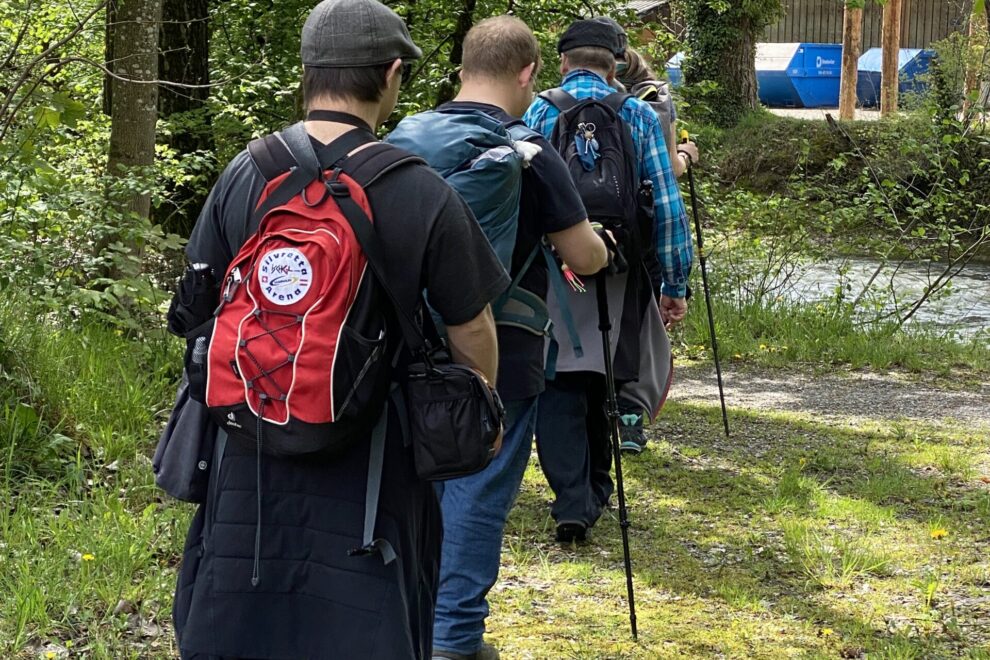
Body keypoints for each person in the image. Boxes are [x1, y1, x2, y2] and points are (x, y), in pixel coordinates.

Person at [170, 1, 509, 658]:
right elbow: (473, 329)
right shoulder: (420, 190)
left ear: (307, 72)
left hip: (247, 468)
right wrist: (480, 416)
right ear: (390, 74)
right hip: (371, 484)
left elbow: (194, 312)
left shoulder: (245, 174)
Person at [388, 17, 609, 660]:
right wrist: (600, 242)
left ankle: (405, 628)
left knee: (410, 491)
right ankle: (454, 640)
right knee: (476, 495)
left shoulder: (404, 137)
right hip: (499, 351)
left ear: (461, 69)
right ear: (528, 73)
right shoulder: (529, 149)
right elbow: (584, 255)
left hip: (404, 347)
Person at [524, 19, 693, 542]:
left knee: (558, 381)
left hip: (555, 269)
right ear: (617, 63)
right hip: (621, 270)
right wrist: (674, 284)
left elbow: (521, 198)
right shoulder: (638, 113)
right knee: (602, 376)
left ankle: (574, 498)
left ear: (562, 62)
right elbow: (666, 205)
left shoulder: (539, 111)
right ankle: (596, 488)